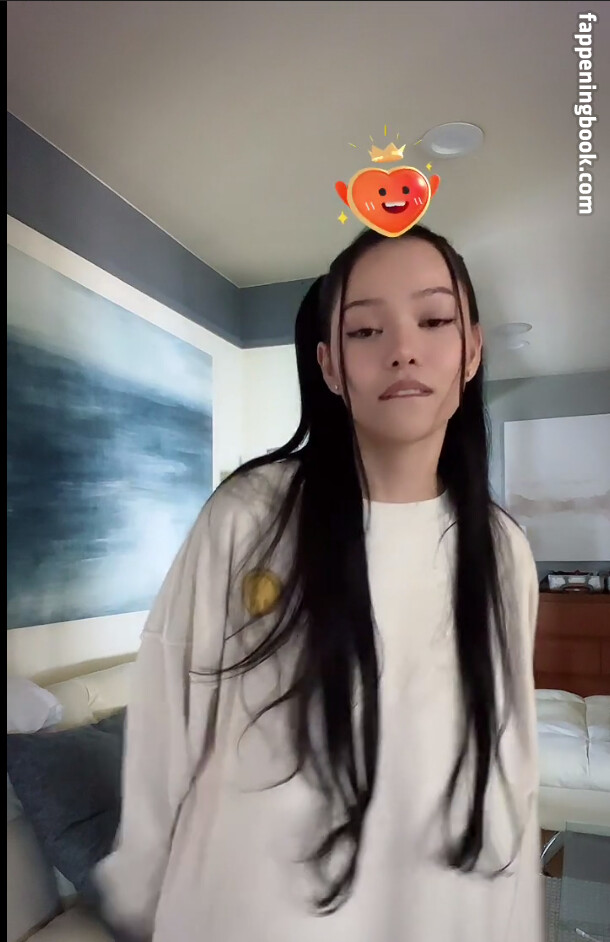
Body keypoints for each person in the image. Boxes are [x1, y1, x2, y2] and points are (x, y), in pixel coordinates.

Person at [94, 225, 543, 942]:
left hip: (444, 910)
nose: (403, 349)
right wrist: (140, 890)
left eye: (434, 320)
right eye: (365, 330)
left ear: (472, 350)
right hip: (250, 915)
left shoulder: (502, 550)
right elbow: (167, 711)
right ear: (330, 366)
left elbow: (512, 762)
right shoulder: (252, 515)